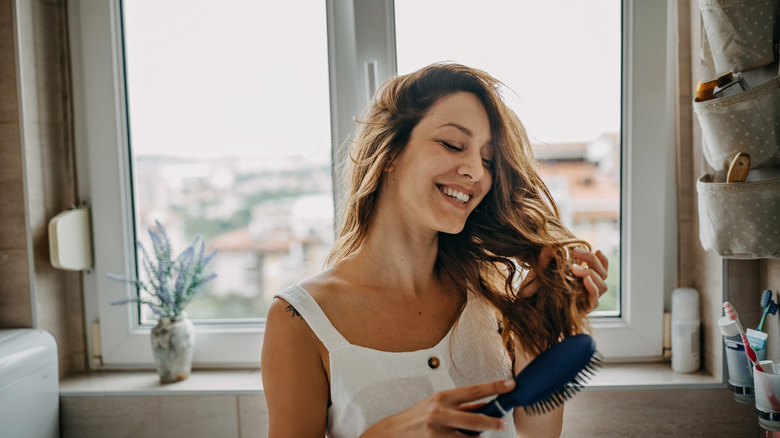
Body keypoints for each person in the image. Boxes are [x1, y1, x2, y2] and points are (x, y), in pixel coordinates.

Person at [261, 62, 609, 437]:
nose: (476, 171)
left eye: (488, 159)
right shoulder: (300, 320)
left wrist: (537, 333)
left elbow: (535, 434)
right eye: (452, 144)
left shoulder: (494, 296)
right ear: (390, 151)